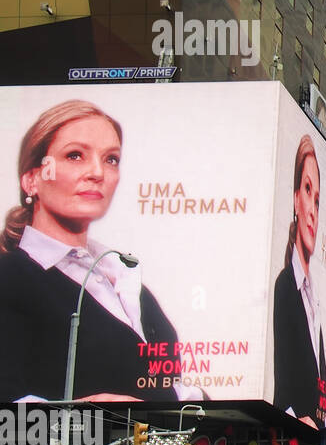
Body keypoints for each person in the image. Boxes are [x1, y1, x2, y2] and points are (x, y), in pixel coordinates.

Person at [0, 100, 189, 404]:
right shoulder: (9, 277)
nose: (98, 172)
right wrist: (89, 415)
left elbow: (177, 393)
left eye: (111, 159)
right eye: (75, 155)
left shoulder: (131, 287)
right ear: (31, 178)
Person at [273, 135, 326, 417]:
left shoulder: (314, 298)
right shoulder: (285, 286)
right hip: (286, 440)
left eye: (318, 201)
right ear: (296, 199)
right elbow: (283, 385)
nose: (313, 212)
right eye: (308, 190)